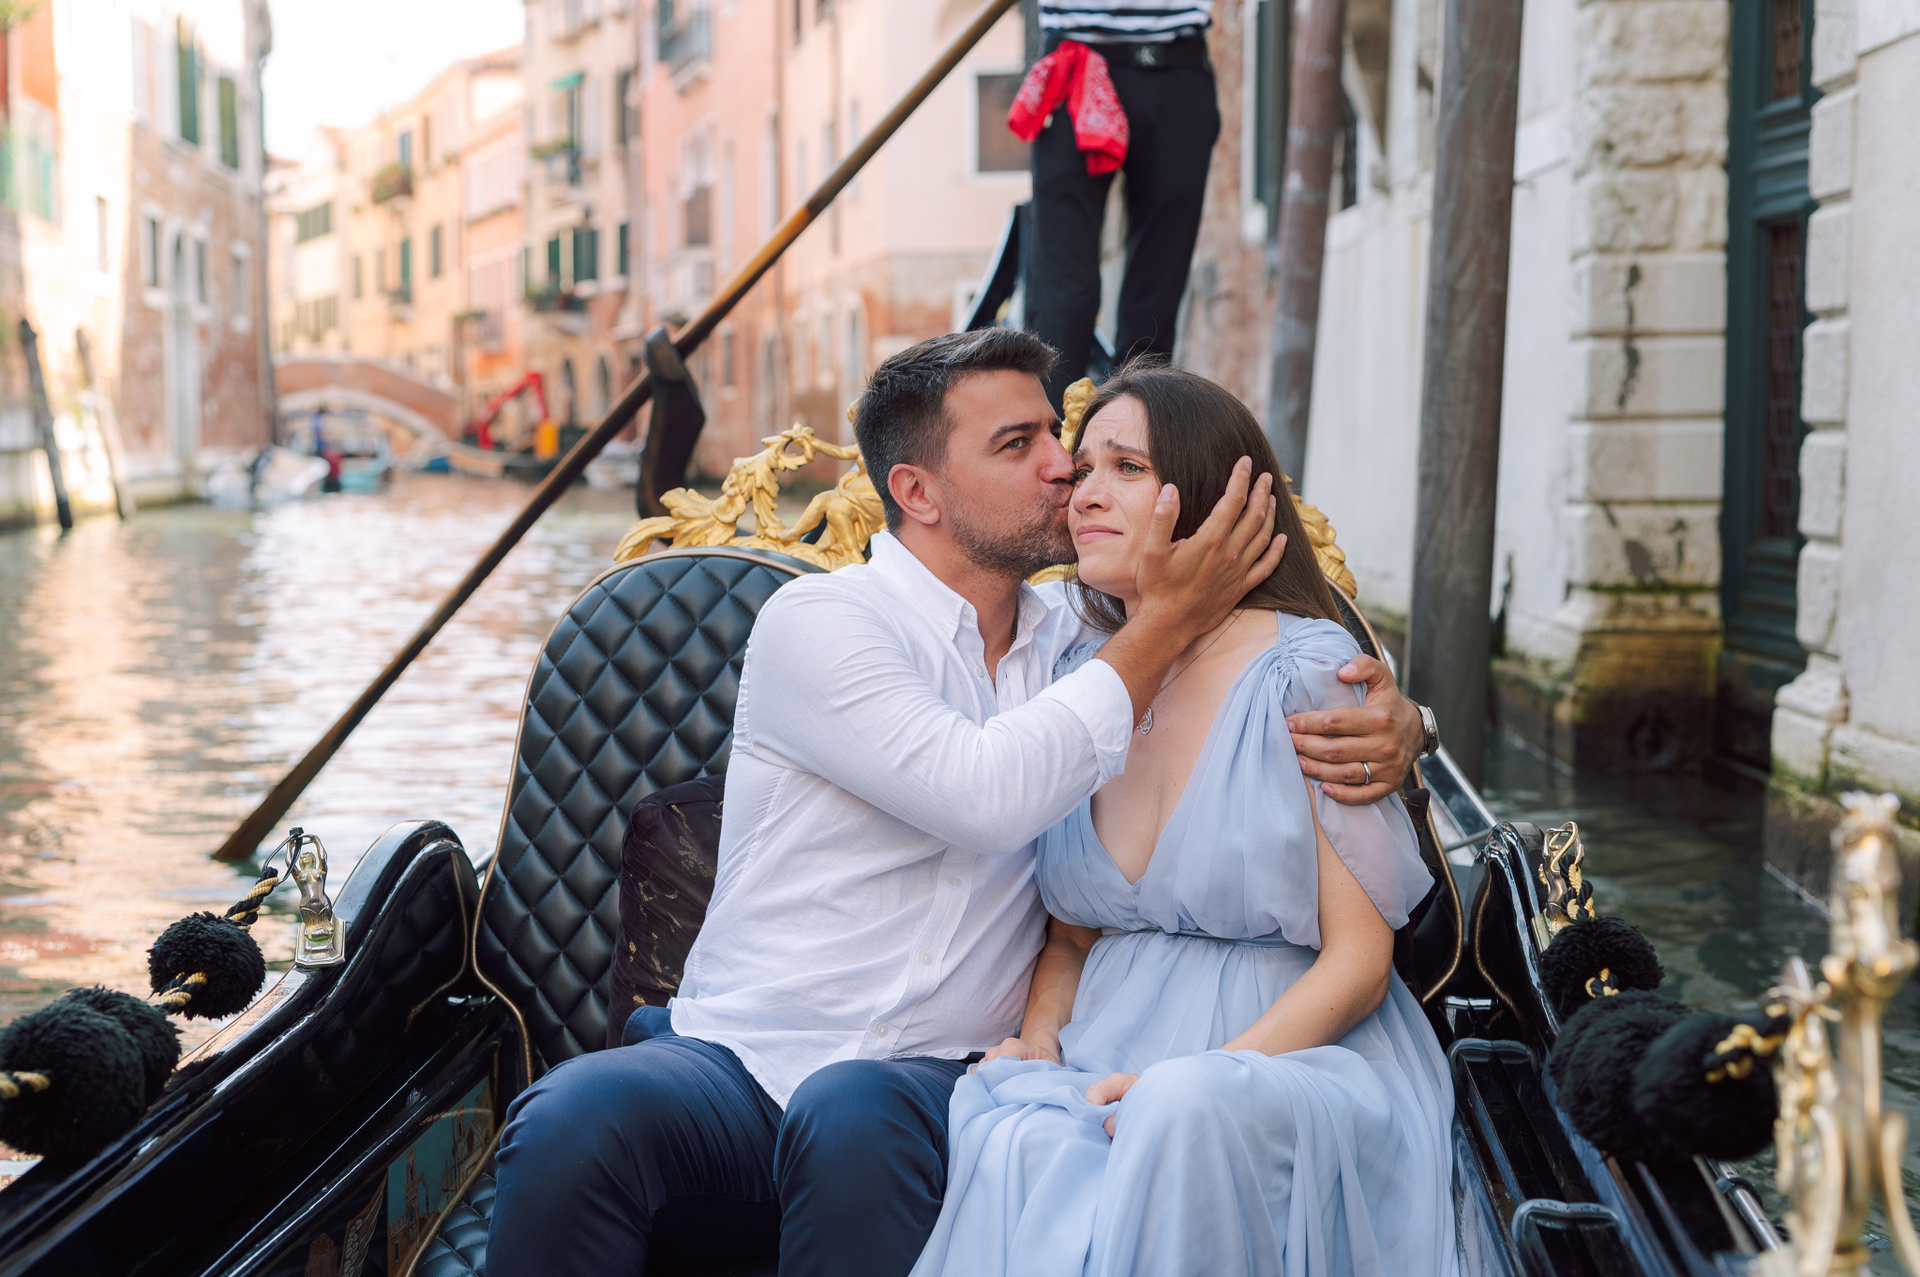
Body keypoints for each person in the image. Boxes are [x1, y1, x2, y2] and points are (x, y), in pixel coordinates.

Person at [486, 330, 1431, 1277]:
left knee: (852, 1114)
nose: (1063, 468)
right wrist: (1166, 620)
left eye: (1058, 438)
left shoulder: (1080, 643)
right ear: (919, 492)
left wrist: (1407, 722)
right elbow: (986, 791)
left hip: (943, 1079)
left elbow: (1234, 672)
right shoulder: (825, 624)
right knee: (574, 1118)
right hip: (746, 1061)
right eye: (1019, 444)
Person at [911, 361, 1456, 1277]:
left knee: (1180, 1114)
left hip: (1287, 1055)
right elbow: (1072, 937)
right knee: (1013, 1126)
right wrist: (1039, 1040)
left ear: (1209, 499)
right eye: (1085, 468)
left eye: (1127, 468)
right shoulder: (1079, 677)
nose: (1086, 492)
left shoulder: (1307, 673)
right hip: (1104, 1049)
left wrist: (1199, 1073)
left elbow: (1361, 963)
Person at [1026, 1, 1221, 409]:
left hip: (1177, 66)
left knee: (1157, 292)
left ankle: (1137, 431)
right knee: (1064, 293)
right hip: (1076, 61)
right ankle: (1049, 435)